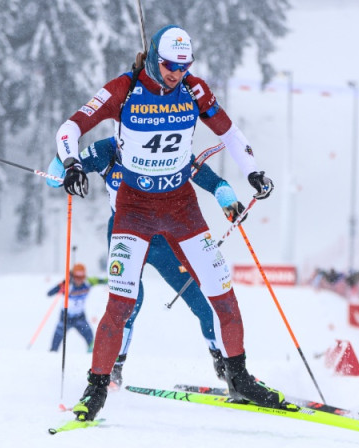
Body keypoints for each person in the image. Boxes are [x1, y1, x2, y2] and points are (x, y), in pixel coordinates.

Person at [54, 25, 286, 422]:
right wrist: (72, 163)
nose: (177, 74)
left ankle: (239, 377)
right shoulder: (124, 89)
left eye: (184, 66)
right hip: (134, 209)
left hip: (182, 208)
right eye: (169, 66)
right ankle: (97, 387)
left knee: (222, 294)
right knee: (121, 304)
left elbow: (230, 133)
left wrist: (253, 172)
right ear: (152, 59)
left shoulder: (194, 90)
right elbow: (70, 128)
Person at [47, 136, 242, 387]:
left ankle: (225, 365)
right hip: (126, 234)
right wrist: (63, 155)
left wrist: (224, 195)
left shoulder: (161, 142)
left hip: (165, 238)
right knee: (128, 303)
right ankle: (113, 369)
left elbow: (204, 175)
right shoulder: (105, 150)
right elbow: (57, 177)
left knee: (201, 302)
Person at [46, 263, 107, 352]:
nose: (79, 280)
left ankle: (91, 355)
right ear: (73, 276)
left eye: (81, 278)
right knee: (55, 343)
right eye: (77, 277)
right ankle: (52, 354)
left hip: (80, 317)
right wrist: (62, 284)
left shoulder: (89, 282)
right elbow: (50, 293)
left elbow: (104, 280)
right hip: (65, 317)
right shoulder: (68, 285)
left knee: (91, 339)